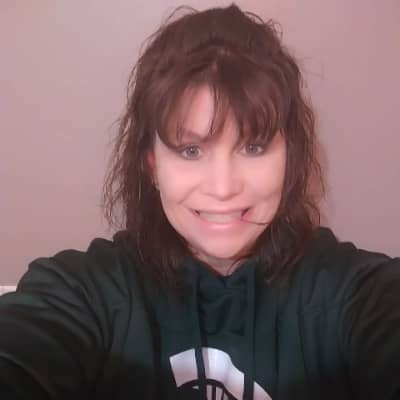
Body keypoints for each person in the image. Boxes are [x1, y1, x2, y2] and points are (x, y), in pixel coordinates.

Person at [0, 3, 399, 400]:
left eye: (253, 147)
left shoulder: (358, 294)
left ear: (288, 158)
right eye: (190, 150)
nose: (223, 188)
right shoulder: (84, 292)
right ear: (153, 165)